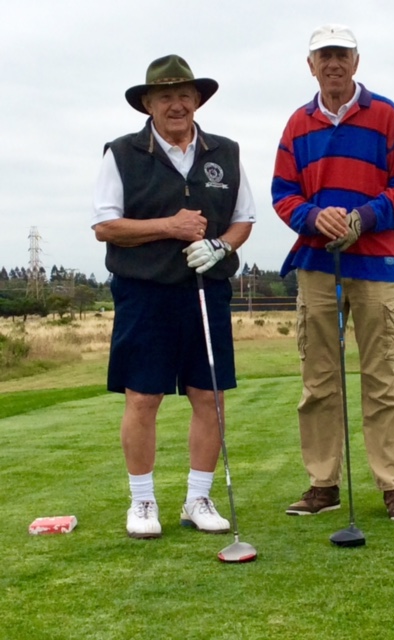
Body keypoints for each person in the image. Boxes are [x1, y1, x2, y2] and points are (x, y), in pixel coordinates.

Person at [91, 54, 256, 539]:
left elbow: (244, 219)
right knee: (144, 397)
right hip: (144, 293)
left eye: (185, 95)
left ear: (197, 100)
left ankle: (197, 498)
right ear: (148, 103)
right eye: (165, 96)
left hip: (207, 291)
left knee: (210, 397)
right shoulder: (122, 153)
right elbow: (105, 226)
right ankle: (142, 501)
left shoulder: (225, 152)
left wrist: (221, 246)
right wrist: (171, 226)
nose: (177, 105)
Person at [272, 25, 394, 521]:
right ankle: (323, 484)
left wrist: (364, 217)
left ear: (356, 62)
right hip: (318, 265)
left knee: (384, 379)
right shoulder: (297, 124)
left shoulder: (386, 115)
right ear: (310, 65)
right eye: (324, 56)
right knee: (318, 380)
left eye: (341, 55)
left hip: (376, 263)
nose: (333, 63)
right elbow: (283, 194)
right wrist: (315, 217)